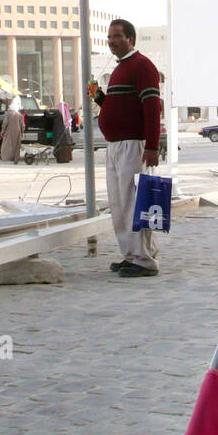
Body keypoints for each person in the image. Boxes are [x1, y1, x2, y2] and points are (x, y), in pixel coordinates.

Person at [95, 18, 162, 277]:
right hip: (115, 146)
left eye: (117, 36)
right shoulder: (120, 69)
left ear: (130, 39)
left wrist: (153, 146)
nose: (111, 41)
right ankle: (131, 254)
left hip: (133, 146)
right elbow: (123, 106)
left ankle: (144, 260)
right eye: (109, 37)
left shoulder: (142, 66)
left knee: (134, 202)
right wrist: (102, 100)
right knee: (119, 203)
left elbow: (151, 108)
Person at [0, 100, 23, 164]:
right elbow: (22, 125)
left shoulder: (8, 114)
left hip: (9, 131)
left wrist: (2, 131)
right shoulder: (20, 115)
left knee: (7, 145)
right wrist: (22, 132)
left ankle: (6, 158)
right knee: (17, 146)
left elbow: (5, 123)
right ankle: (16, 159)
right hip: (18, 132)